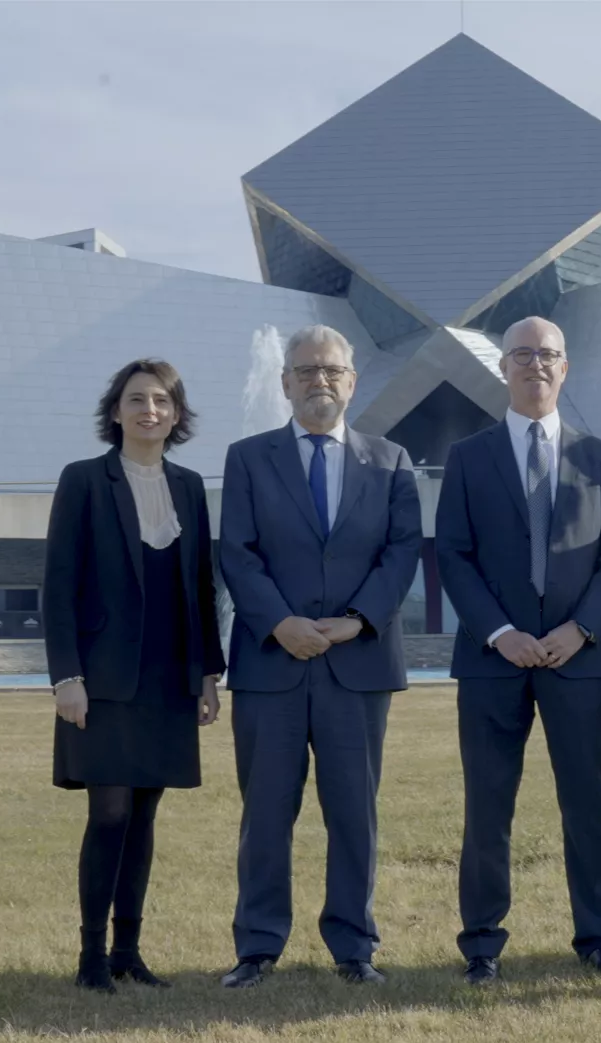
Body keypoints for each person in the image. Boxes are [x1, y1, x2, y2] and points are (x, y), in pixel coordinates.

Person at [436, 315, 601, 985]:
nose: (535, 365)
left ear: (565, 366)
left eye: (548, 354)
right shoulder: (468, 456)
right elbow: (455, 557)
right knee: (488, 803)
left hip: (579, 658)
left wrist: (578, 629)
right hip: (494, 659)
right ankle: (483, 945)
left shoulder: (600, 456)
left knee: (586, 801)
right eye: (522, 355)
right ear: (503, 367)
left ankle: (600, 939)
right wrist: (501, 633)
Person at [217, 324, 422, 989]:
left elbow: (401, 553)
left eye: (331, 370)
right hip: (271, 666)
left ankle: (353, 946)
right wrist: (280, 623)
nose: (319, 381)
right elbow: (238, 554)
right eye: (305, 370)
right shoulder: (248, 458)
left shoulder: (390, 461)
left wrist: (351, 622)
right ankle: (257, 946)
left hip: (355, 665)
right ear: (284, 383)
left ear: (353, 381)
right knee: (267, 813)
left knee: (353, 813)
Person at [44, 358, 225, 993]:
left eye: (163, 401)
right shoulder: (85, 480)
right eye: (137, 399)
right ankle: (91, 957)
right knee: (110, 814)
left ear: (177, 415)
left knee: (144, 819)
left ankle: (128, 952)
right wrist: (65, 675)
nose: (151, 410)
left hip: (169, 680)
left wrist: (208, 672)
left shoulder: (189, 487)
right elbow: (58, 586)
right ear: (116, 410)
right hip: (102, 680)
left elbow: (203, 588)